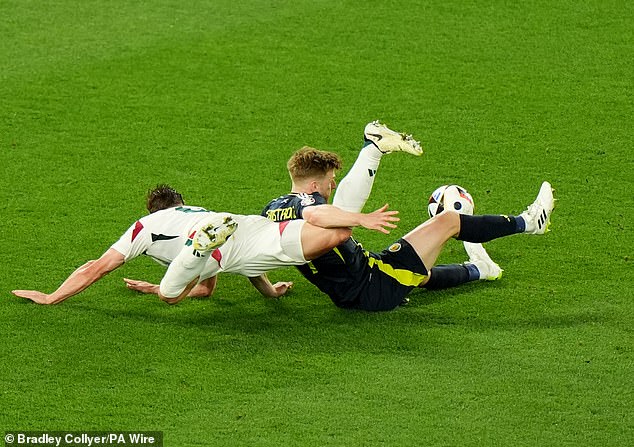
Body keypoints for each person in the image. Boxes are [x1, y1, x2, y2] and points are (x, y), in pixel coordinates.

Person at [261, 120, 555, 311]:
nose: (332, 184)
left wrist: (269, 290)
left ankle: (481, 269)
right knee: (448, 221)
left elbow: (250, 257)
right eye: (328, 181)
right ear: (313, 186)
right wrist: (362, 219)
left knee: (418, 274)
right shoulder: (308, 203)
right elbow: (317, 214)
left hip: (353, 285)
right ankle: (529, 222)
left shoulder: (271, 210)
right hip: (372, 285)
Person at [12, 185, 400, 305]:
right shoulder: (196, 210)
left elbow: (95, 267)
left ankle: (195, 251)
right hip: (244, 229)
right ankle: (347, 209)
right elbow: (209, 287)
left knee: (168, 295)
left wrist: (51, 296)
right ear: (180, 204)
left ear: (153, 209)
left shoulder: (144, 227)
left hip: (206, 249)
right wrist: (269, 291)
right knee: (338, 234)